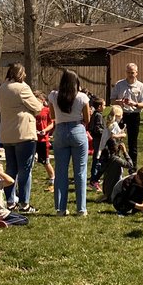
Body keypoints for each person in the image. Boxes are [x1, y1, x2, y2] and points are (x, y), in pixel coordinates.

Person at [0, 63, 43, 214]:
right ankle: (24, 203)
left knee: (11, 168)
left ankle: (10, 201)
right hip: (23, 133)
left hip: (7, 133)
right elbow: (37, 107)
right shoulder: (22, 88)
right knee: (25, 170)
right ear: (21, 74)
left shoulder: (2, 88)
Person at [48, 69, 91, 217]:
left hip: (60, 132)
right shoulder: (82, 97)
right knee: (80, 172)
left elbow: (52, 116)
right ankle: (81, 209)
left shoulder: (54, 95)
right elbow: (87, 119)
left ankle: (61, 208)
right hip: (77, 130)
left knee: (60, 172)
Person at [109, 63, 143, 166]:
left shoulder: (141, 86)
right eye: (128, 72)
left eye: (132, 73)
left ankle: (132, 166)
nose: (130, 75)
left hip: (134, 116)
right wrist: (119, 102)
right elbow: (112, 100)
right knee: (116, 140)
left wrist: (134, 104)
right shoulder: (119, 84)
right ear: (126, 72)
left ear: (137, 73)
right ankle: (116, 164)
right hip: (120, 115)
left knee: (132, 142)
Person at [34, 91, 56, 189]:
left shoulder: (47, 110)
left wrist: (44, 130)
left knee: (45, 160)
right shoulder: (32, 110)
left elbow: (51, 124)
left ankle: (52, 178)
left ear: (43, 100)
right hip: (33, 138)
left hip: (43, 139)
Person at [87, 95, 106, 188]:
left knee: (97, 159)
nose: (105, 107)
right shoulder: (98, 116)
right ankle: (93, 180)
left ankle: (95, 179)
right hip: (98, 141)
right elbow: (97, 129)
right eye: (104, 105)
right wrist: (106, 132)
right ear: (99, 107)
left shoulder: (96, 115)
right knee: (98, 159)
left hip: (96, 140)